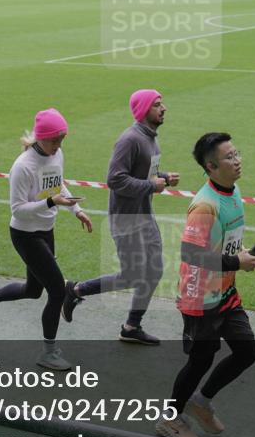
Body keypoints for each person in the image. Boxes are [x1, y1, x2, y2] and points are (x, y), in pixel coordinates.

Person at [154, 133, 255, 437]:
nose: (237, 160)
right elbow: (191, 254)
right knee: (201, 360)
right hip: (199, 297)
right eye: (229, 157)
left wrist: (240, 254)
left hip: (225, 291)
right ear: (211, 167)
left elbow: (224, 239)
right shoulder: (205, 206)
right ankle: (169, 420)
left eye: (236, 153)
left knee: (246, 352)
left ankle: (200, 403)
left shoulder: (232, 190)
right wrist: (237, 262)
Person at [0, 108, 93, 371]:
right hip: (25, 235)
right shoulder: (23, 166)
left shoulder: (56, 154)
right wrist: (50, 202)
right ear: (41, 138)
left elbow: (58, 185)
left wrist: (76, 210)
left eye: (62, 139)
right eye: (55, 140)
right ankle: (49, 353)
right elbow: (17, 210)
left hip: (46, 230)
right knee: (57, 290)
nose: (59, 145)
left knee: (33, 290)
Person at [62, 89, 179, 346]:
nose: (164, 108)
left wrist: (163, 177)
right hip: (126, 221)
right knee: (132, 275)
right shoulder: (130, 139)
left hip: (145, 216)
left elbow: (144, 174)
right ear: (144, 110)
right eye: (157, 104)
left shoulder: (151, 139)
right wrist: (152, 186)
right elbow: (115, 179)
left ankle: (131, 327)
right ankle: (76, 290)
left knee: (154, 271)